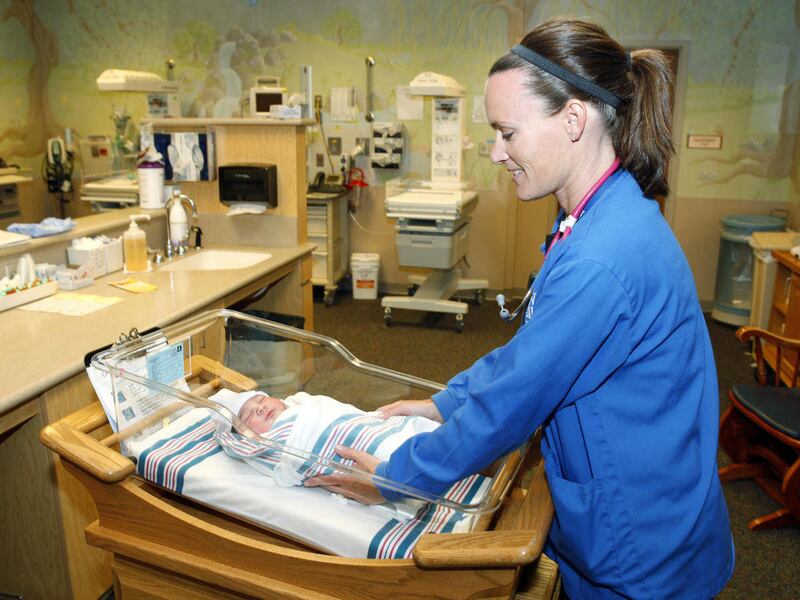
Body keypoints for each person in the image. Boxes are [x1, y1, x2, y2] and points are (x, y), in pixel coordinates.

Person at [305, 17, 735, 599]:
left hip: (641, 549)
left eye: (508, 132)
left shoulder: (602, 257)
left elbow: (515, 398)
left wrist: (395, 477)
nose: (495, 151)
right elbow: (532, 353)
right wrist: (444, 402)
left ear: (575, 120)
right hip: (631, 509)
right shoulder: (595, 214)